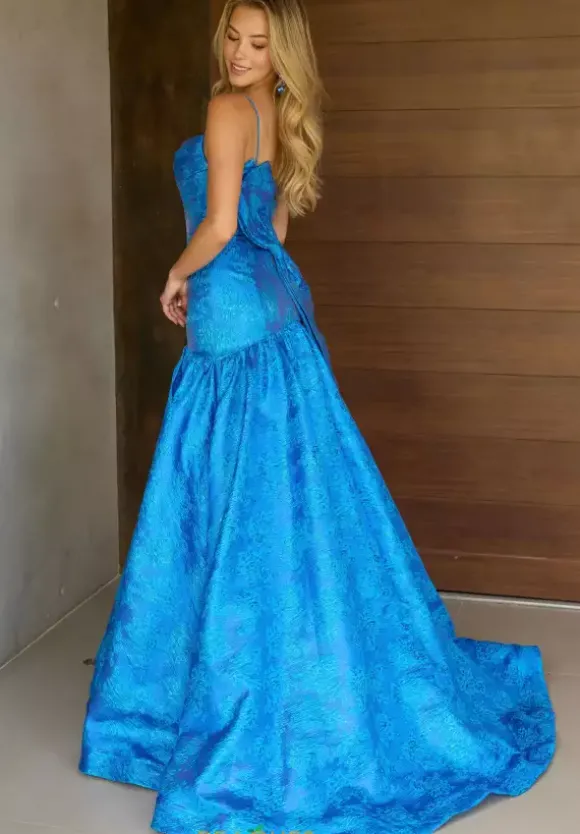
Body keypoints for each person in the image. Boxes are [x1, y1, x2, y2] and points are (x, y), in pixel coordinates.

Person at [79, 1, 556, 832]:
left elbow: (220, 226)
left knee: (225, 496)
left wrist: (177, 274)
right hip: (271, 315)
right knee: (287, 499)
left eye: (258, 43)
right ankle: (303, 671)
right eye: (233, 36)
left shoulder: (226, 109)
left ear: (281, 51)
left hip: (230, 319)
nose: (239, 53)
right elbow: (273, 227)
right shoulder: (278, 113)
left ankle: (226, 697)